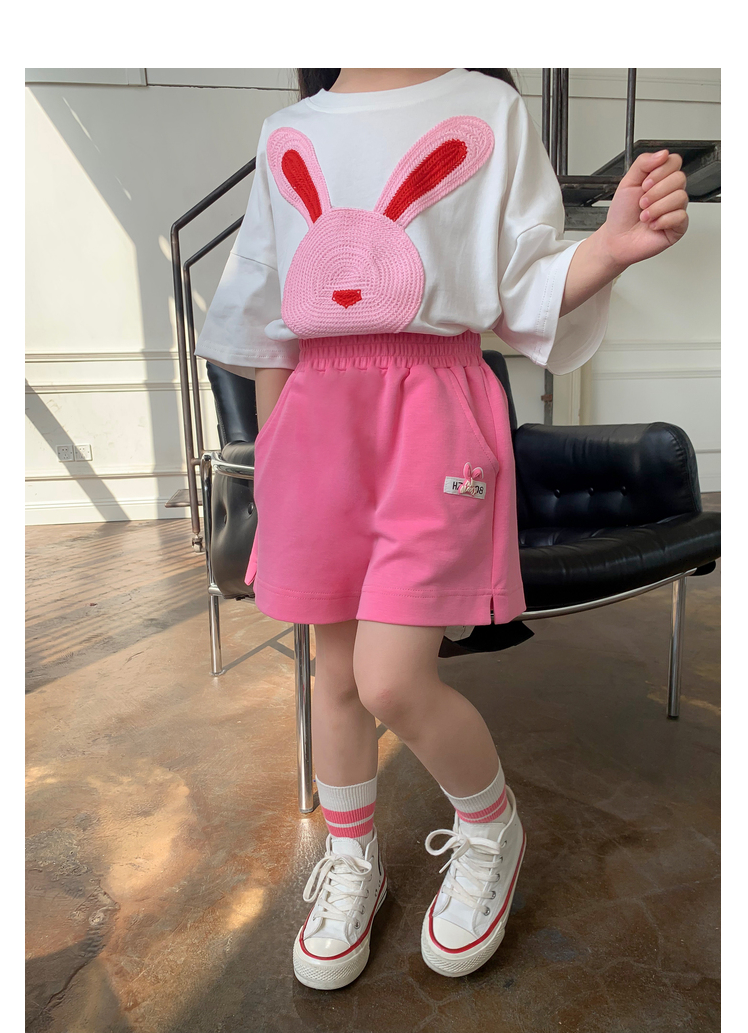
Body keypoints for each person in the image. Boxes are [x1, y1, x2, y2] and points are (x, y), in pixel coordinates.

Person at [195, 67, 689, 989]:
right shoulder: (288, 131)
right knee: (337, 674)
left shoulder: (487, 108)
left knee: (391, 676)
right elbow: (265, 318)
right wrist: (276, 462)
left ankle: (490, 823)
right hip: (312, 427)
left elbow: (522, 285)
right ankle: (352, 858)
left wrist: (609, 249)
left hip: (432, 417)